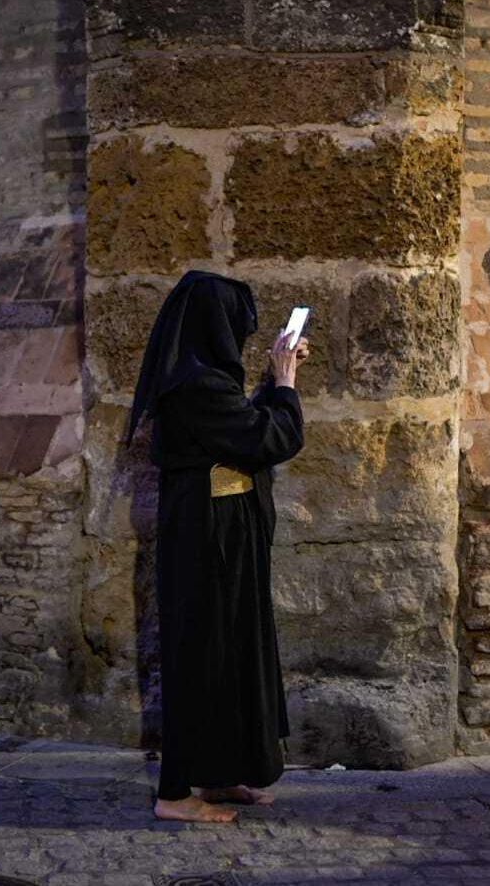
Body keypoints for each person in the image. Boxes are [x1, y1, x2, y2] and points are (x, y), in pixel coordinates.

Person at [123, 269, 309, 824]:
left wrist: (277, 382)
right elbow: (269, 437)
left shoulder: (203, 383)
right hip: (209, 542)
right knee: (202, 657)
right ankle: (175, 793)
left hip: (225, 536)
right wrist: (284, 383)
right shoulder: (196, 386)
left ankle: (222, 772)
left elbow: (241, 427)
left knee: (232, 653)